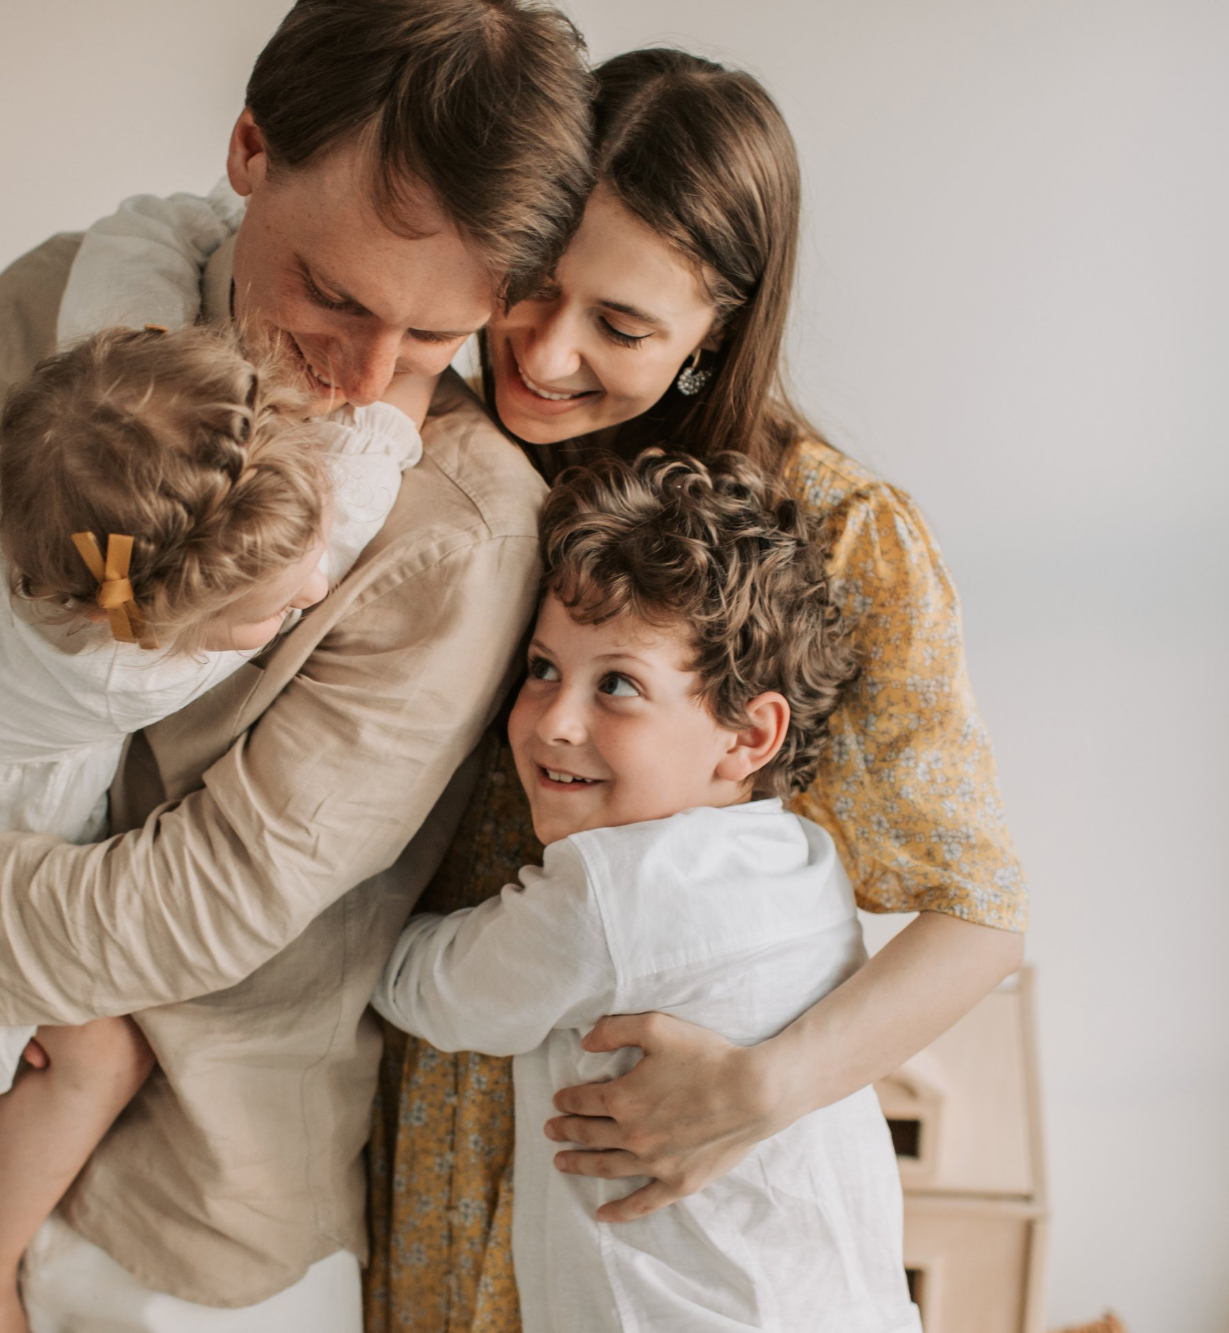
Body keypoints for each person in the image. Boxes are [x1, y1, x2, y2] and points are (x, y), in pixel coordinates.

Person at [0, 2, 595, 1329]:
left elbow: (212, 900)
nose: (361, 377)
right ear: (250, 147)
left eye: (438, 339)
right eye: (331, 295)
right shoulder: (57, 306)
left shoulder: (460, 526)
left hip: (205, 1216)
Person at [366, 48, 1027, 1332]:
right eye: (533, 290)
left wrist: (756, 1091)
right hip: (439, 1133)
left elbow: (979, 918)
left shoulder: (839, 540)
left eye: (618, 324)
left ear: (714, 326)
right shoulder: (432, 457)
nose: (544, 354)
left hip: (669, 1175)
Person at [0, 323, 427, 1333]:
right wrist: (415, 365)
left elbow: (131, 258)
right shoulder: (122, 659)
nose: (315, 590)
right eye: (270, 610)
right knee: (95, 1055)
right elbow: (367, 475)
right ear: (156, 620)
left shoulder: (71, 446)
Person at [372, 450, 921, 1333]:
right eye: (543, 668)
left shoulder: (611, 891)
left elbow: (435, 991)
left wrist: (350, 911)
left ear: (748, 733)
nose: (554, 718)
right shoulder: (807, 860)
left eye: (616, 684)